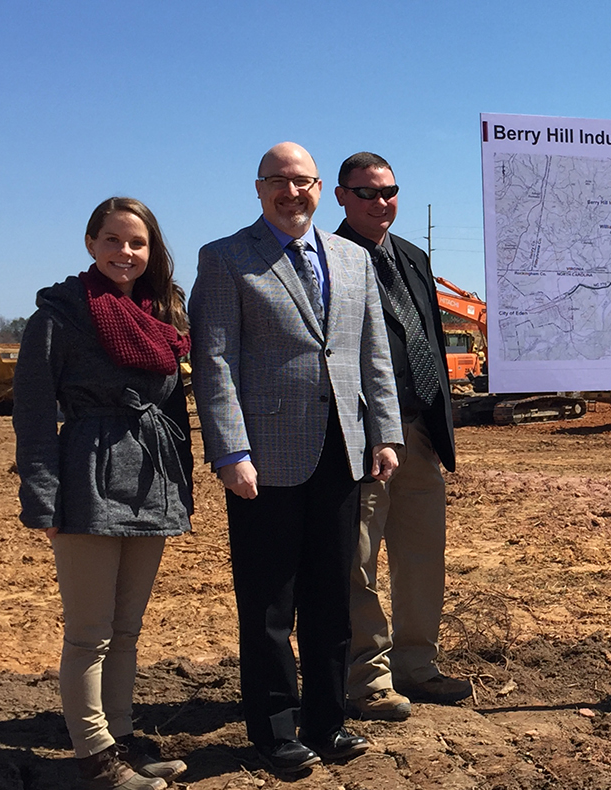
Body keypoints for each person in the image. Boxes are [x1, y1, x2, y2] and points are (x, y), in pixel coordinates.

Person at [190, 143, 403, 774]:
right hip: (265, 460)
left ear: (319, 188)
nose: (293, 192)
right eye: (278, 182)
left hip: (343, 450)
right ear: (259, 189)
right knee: (269, 604)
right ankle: (275, 730)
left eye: (303, 181)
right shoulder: (227, 258)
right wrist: (229, 449)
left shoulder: (350, 258)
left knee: (331, 595)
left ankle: (327, 722)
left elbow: (373, 356)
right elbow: (215, 362)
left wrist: (385, 434)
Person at [14, 197, 192, 790]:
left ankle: (119, 735)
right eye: (113, 240)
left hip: (150, 477)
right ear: (90, 244)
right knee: (89, 631)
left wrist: (181, 487)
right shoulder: (59, 315)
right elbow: (34, 416)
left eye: (137, 243)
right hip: (87, 476)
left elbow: (171, 407)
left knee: (127, 627)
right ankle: (94, 754)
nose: (125, 253)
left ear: (151, 250)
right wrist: (43, 499)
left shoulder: (159, 314)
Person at [333, 152, 469, 720]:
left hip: (419, 434)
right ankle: (367, 677)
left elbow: (431, 345)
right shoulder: (328, 258)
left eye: (389, 191)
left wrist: (440, 427)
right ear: (340, 197)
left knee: (421, 557)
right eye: (366, 193)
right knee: (356, 561)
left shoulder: (412, 257)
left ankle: (418, 665)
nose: (380, 202)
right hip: (361, 440)